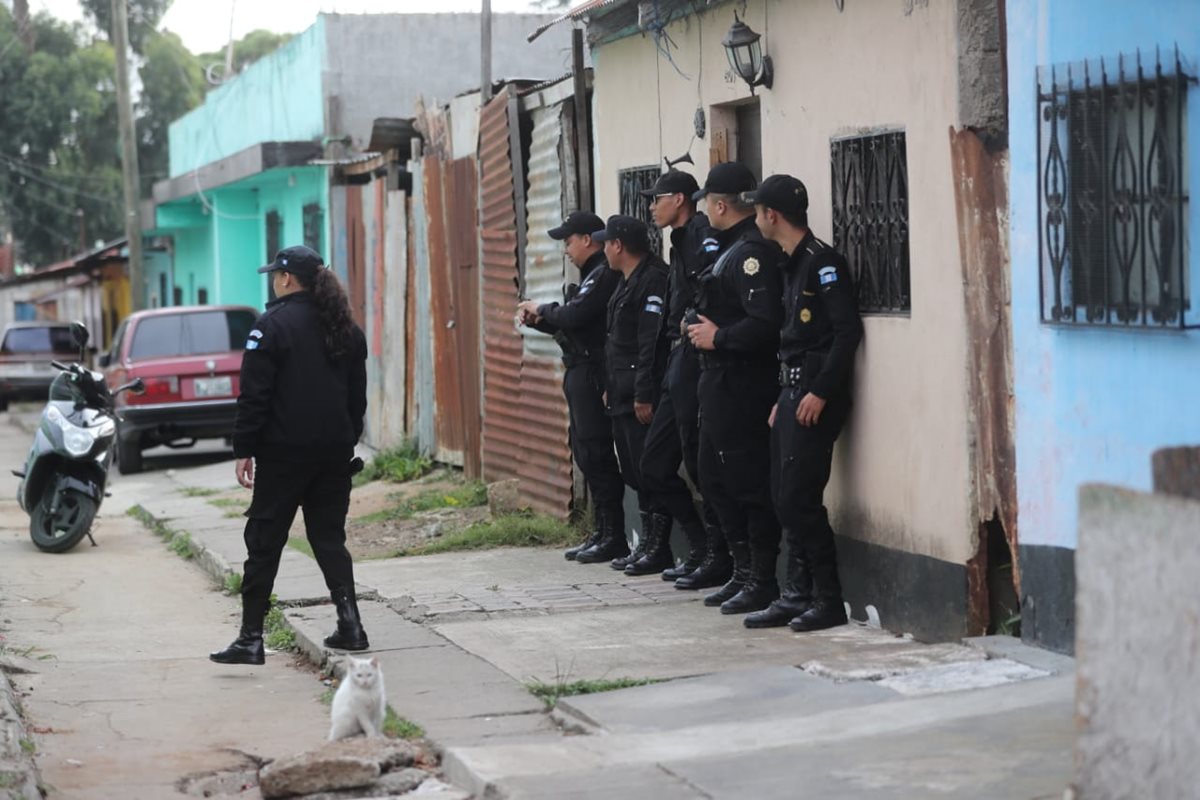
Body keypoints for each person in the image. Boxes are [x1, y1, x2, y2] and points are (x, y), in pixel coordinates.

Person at [211, 245, 370, 666]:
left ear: (286, 279)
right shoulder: (346, 328)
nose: (272, 281)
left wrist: (244, 448)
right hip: (333, 456)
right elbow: (357, 401)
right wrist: (343, 441)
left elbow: (254, 397)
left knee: (264, 543)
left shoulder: (271, 327)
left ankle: (250, 639)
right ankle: (351, 626)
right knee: (329, 540)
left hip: (283, 457)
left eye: (274, 275)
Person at [742, 174, 863, 631]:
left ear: (771, 215)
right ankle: (795, 594)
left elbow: (845, 333)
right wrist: (783, 395)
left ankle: (827, 600)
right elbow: (790, 343)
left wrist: (819, 391)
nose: (755, 219)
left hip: (815, 396)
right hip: (792, 393)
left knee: (799, 499)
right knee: (782, 495)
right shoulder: (788, 262)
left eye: (757, 211)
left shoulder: (821, 262)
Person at [686, 162, 785, 616]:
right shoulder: (728, 248)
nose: (704, 208)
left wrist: (718, 337)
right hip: (717, 380)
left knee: (745, 481)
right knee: (713, 476)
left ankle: (761, 579)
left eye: (707, 200)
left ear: (720, 204)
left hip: (742, 381)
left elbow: (765, 323)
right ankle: (741, 571)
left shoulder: (751, 253)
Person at [636, 170, 732, 589]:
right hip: (676, 360)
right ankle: (699, 545)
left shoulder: (699, 232)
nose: (652, 207)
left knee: (700, 461)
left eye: (657, 199)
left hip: (697, 356)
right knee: (654, 464)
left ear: (679, 199)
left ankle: (719, 555)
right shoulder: (679, 241)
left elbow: (710, 288)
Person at [517, 211, 626, 563]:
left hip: (594, 373)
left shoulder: (602, 274)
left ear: (587, 240)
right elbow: (574, 322)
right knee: (584, 452)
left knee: (596, 452)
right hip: (579, 368)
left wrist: (542, 308)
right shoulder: (592, 274)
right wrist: (542, 321)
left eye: (568, 241)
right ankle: (602, 531)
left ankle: (614, 536)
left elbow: (577, 315)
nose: (565, 249)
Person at [589, 215, 672, 573]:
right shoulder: (625, 281)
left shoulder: (652, 279)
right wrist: (611, 386)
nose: (603, 249)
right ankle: (649, 545)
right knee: (635, 473)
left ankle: (660, 547)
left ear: (618, 246)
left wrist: (642, 393)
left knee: (649, 470)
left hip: (640, 394)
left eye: (606, 242)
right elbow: (616, 344)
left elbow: (648, 343)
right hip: (622, 392)